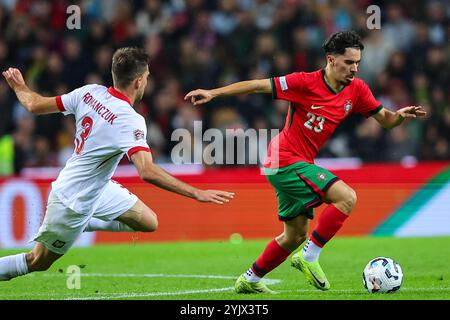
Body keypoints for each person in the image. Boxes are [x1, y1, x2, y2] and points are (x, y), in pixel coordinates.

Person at [184, 31, 426, 294]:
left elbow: (387, 121)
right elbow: (257, 85)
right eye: (348, 62)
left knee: (295, 236)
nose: (354, 68)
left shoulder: (357, 90)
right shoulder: (303, 82)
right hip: (284, 159)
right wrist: (213, 93)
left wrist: (400, 115)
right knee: (347, 198)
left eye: (357, 63)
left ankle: (249, 279)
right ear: (331, 60)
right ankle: (308, 257)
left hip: (296, 163)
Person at [0, 47, 234, 281]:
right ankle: (78, 224)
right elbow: (147, 171)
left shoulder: (89, 93)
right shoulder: (129, 119)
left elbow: (35, 105)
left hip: (98, 188)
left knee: (149, 222)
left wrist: (20, 87)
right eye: (147, 77)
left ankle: (84, 223)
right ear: (138, 81)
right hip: (72, 200)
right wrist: (196, 193)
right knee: (37, 261)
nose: (147, 82)